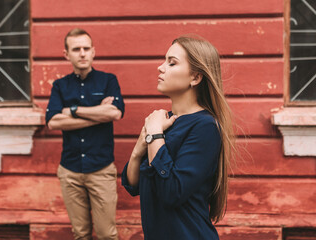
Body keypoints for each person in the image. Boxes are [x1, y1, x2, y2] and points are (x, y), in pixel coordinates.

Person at [122, 35, 235, 239]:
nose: (160, 67)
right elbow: (133, 185)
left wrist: (155, 134)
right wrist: (139, 148)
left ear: (195, 78)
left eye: (172, 63)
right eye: (164, 60)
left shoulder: (205, 127)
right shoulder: (165, 122)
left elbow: (172, 193)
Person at [45, 28, 124, 240]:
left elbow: (114, 113)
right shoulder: (60, 86)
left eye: (86, 48)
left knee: (107, 234)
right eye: (76, 49)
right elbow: (53, 122)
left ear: (93, 51)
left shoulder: (108, 81)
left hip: (101, 169)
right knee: (80, 234)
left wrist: (72, 110)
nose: (82, 53)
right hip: (69, 170)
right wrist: (97, 113)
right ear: (66, 54)